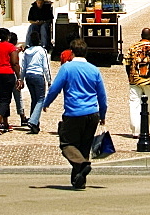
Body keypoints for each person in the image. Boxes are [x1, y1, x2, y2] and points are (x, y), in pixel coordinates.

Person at [42, 37, 107, 191]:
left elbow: (55, 88)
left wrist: (46, 103)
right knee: (84, 147)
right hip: (92, 113)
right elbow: (102, 95)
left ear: (71, 52)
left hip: (74, 112)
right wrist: (103, 114)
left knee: (67, 144)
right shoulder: (94, 69)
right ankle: (79, 180)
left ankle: (83, 165)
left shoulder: (67, 68)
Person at [125, 27, 150, 137]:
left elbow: (127, 63)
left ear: (141, 35)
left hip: (135, 80)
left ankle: (136, 131)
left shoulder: (133, 47)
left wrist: (130, 77)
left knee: (134, 105)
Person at [21, 29, 51, 133]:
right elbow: (46, 67)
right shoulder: (42, 51)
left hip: (29, 76)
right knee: (40, 99)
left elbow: (23, 67)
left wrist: (21, 78)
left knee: (34, 99)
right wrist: (49, 80)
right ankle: (33, 121)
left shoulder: (26, 52)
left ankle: (35, 124)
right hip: (38, 75)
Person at [8, 32, 29, 126]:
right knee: (18, 97)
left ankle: (3, 119)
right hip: (12, 74)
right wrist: (19, 78)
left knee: (5, 99)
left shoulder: (9, 48)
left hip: (4, 75)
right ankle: (22, 116)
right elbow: (15, 64)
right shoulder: (13, 50)